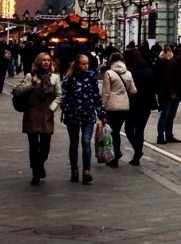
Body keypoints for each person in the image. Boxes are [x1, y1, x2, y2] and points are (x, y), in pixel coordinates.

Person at [60, 52, 104, 185]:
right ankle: (74, 169)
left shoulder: (91, 77)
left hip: (88, 114)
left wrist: (101, 113)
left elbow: (96, 96)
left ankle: (86, 171)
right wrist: (67, 109)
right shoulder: (70, 78)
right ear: (77, 65)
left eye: (87, 64)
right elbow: (63, 97)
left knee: (86, 141)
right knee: (74, 143)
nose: (86, 66)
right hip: (73, 115)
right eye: (83, 64)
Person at [18, 51, 60, 186]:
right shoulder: (30, 76)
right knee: (33, 145)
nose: (46, 62)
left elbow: (59, 95)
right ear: (38, 62)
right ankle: (35, 172)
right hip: (32, 113)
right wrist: (31, 84)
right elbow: (17, 91)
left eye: (48, 60)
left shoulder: (54, 78)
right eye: (43, 60)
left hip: (47, 114)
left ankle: (40, 164)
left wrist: (53, 107)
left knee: (45, 146)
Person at [100, 51, 136, 167]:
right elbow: (133, 90)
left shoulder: (109, 73)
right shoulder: (128, 73)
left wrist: (102, 108)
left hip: (111, 106)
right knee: (117, 131)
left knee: (112, 132)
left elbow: (106, 93)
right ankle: (116, 153)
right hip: (124, 106)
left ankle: (115, 154)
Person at [124, 47, 155, 165]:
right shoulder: (148, 71)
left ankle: (137, 150)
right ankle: (137, 156)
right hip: (146, 104)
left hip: (132, 103)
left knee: (129, 129)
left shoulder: (130, 73)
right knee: (140, 130)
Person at [153, 47, 181, 144]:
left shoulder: (159, 63)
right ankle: (164, 135)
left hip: (164, 92)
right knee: (167, 114)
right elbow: (169, 79)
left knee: (167, 114)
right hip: (168, 92)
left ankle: (165, 135)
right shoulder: (171, 63)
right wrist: (173, 92)